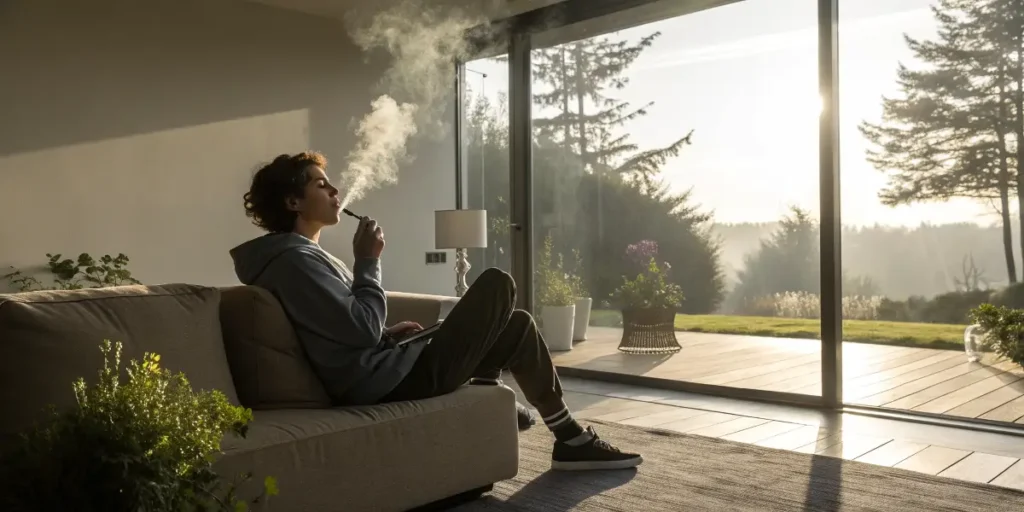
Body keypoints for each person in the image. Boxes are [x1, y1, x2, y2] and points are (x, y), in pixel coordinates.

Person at [229, 151, 642, 471]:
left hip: (386, 370)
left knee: (516, 323)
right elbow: (358, 328)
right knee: (497, 284)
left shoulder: (303, 257)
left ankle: (567, 436)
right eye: (322, 185)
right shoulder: (295, 262)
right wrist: (368, 261)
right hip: (383, 385)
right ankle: (514, 407)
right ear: (293, 201)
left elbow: (339, 329)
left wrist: (388, 334)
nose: (335, 190)